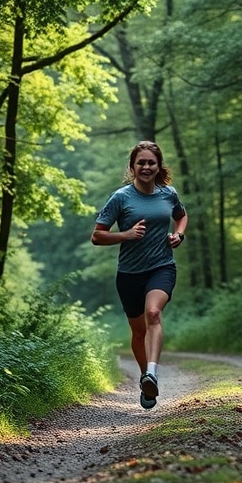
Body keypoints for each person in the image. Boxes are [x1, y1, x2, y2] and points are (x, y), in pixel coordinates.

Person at [91, 141, 188, 409]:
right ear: (132, 167)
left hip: (162, 267)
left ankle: (151, 373)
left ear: (159, 167)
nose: (146, 167)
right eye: (141, 163)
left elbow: (181, 216)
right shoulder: (121, 197)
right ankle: (148, 380)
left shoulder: (168, 193)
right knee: (137, 332)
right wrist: (126, 234)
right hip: (129, 274)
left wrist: (178, 234)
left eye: (151, 163)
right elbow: (97, 236)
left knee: (153, 314)